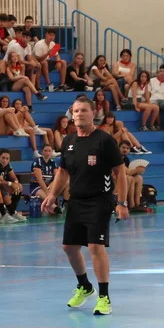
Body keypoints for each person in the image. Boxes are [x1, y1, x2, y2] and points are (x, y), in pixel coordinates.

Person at [41, 96, 128, 316]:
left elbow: (120, 172)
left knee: (95, 247)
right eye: (76, 111)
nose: (79, 114)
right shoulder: (68, 141)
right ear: (72, 114)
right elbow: (63, 172)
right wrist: (52, 195)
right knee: (69, 247)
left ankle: (104, 297)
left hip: (100, 200)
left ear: (93, 113)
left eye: (84, 110)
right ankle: (85, 286)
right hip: (76, 200)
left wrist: (121, 202)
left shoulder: (104, 140)